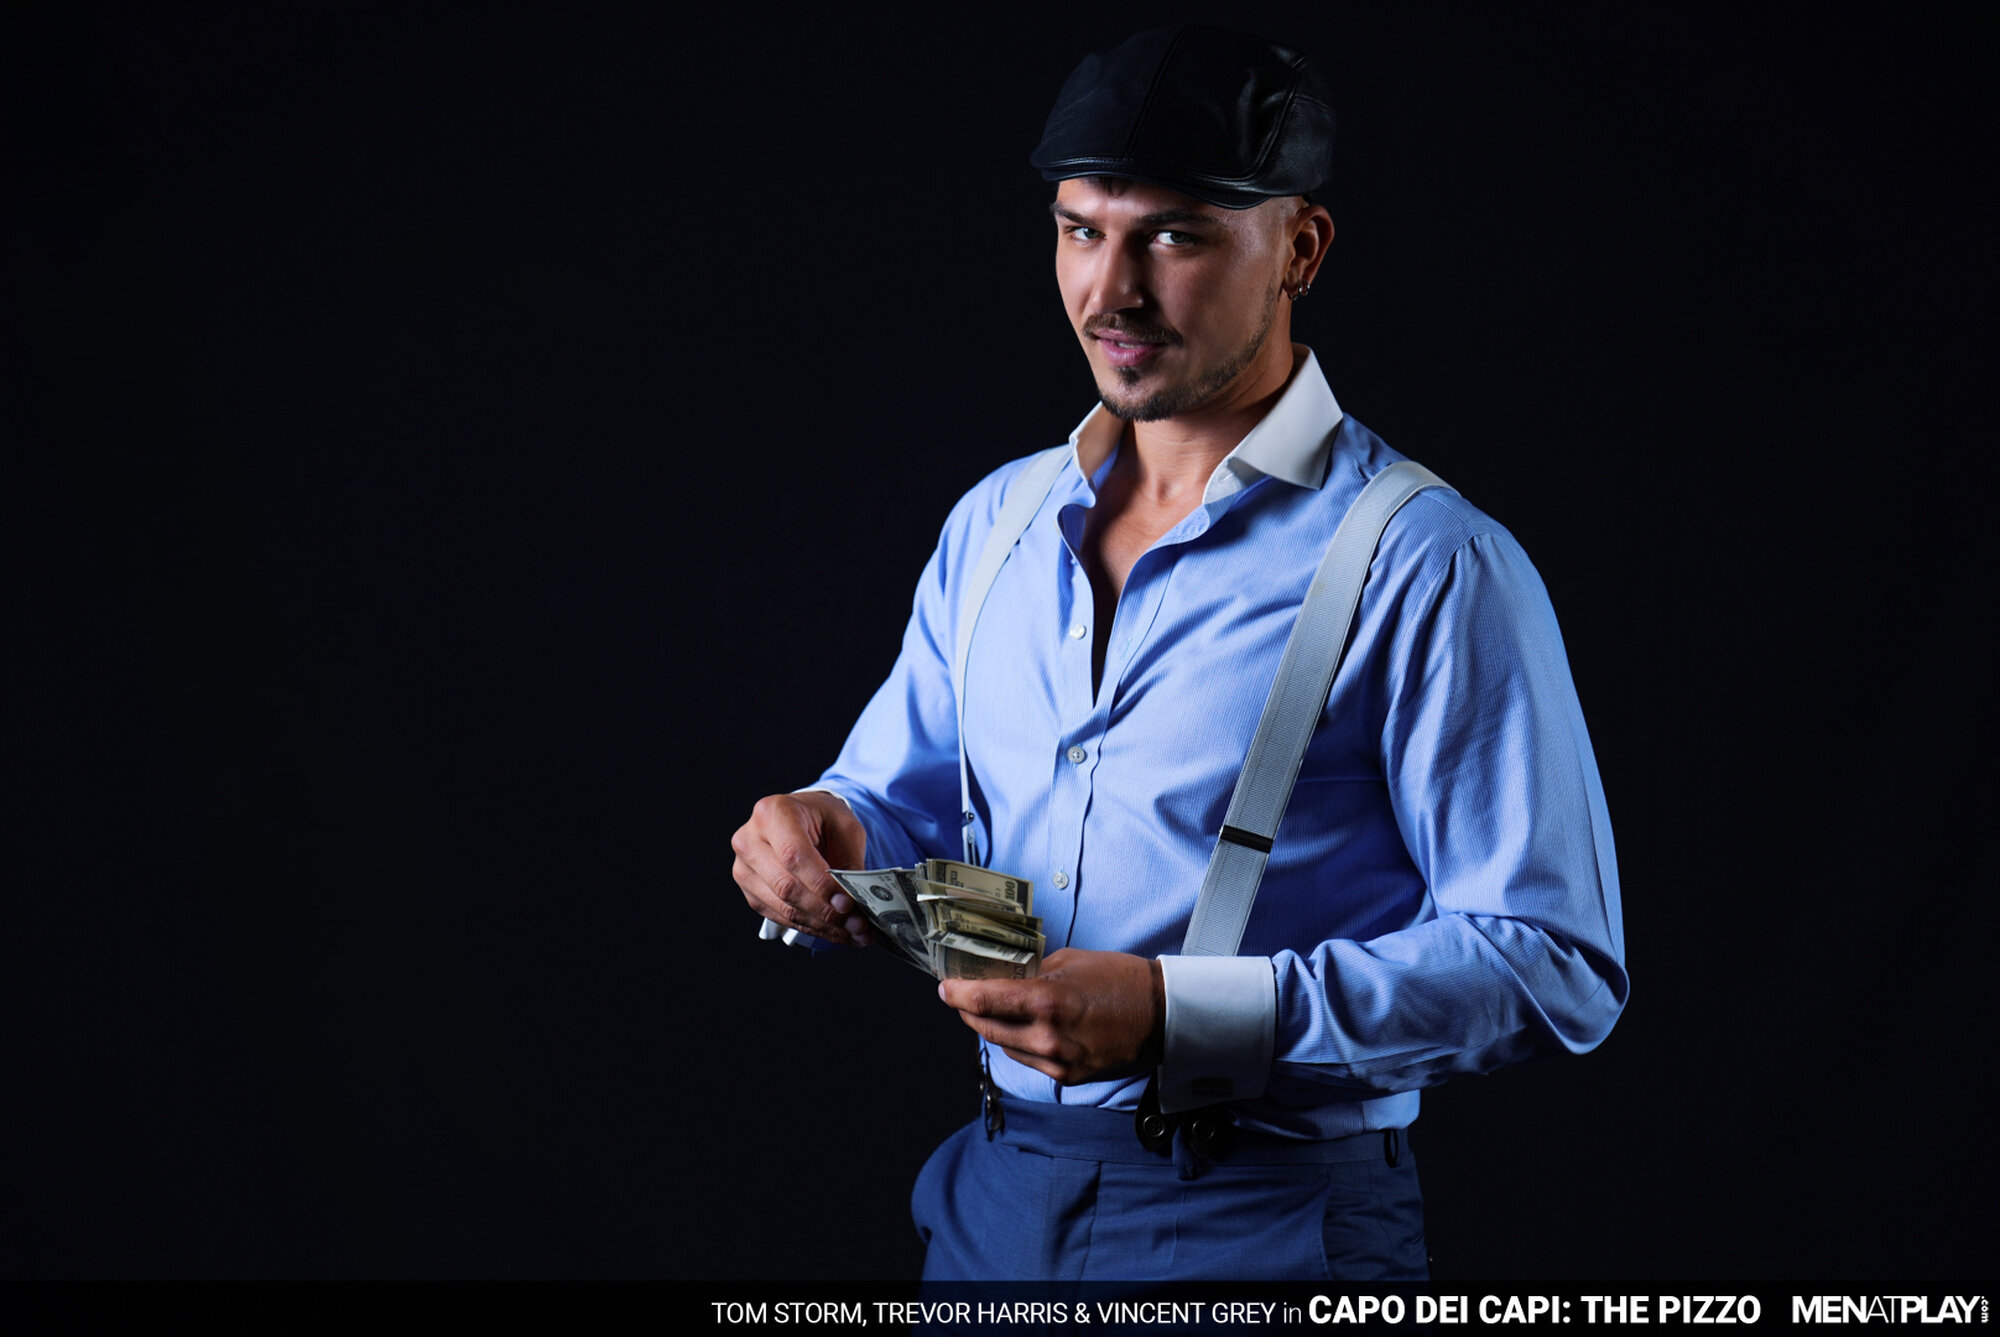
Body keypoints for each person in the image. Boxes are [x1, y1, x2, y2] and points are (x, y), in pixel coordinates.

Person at [730, 25, 1626, 1282]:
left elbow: (1551, 961)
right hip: (991, 1202)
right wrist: (821, 828)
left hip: (1269, 1222)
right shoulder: (994, 525)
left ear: (1299, 248)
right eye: (1079, 230)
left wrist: (1177, 1013)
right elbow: (899, 795)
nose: (1110, 291)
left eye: (1172, 237)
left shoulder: (1426, 562)